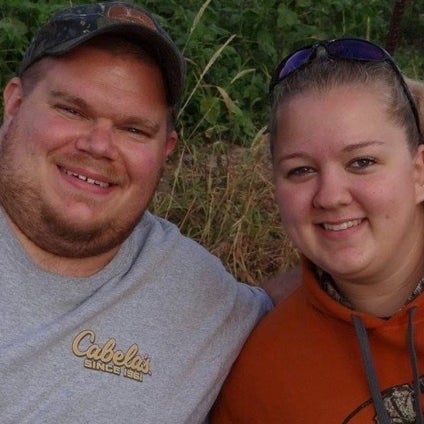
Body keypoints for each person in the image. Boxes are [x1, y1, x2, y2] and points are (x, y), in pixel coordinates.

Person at [0, 2, 275, 423]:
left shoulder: (201, 295)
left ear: (165, 150)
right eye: (72, 110)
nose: (98, 145)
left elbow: (322, 302)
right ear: (15, 103)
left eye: (133, 129)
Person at [211, 38, 424, 423]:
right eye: (301, 170)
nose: (330, 196)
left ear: (419, 172)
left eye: (361, 161)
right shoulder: (261, 375)